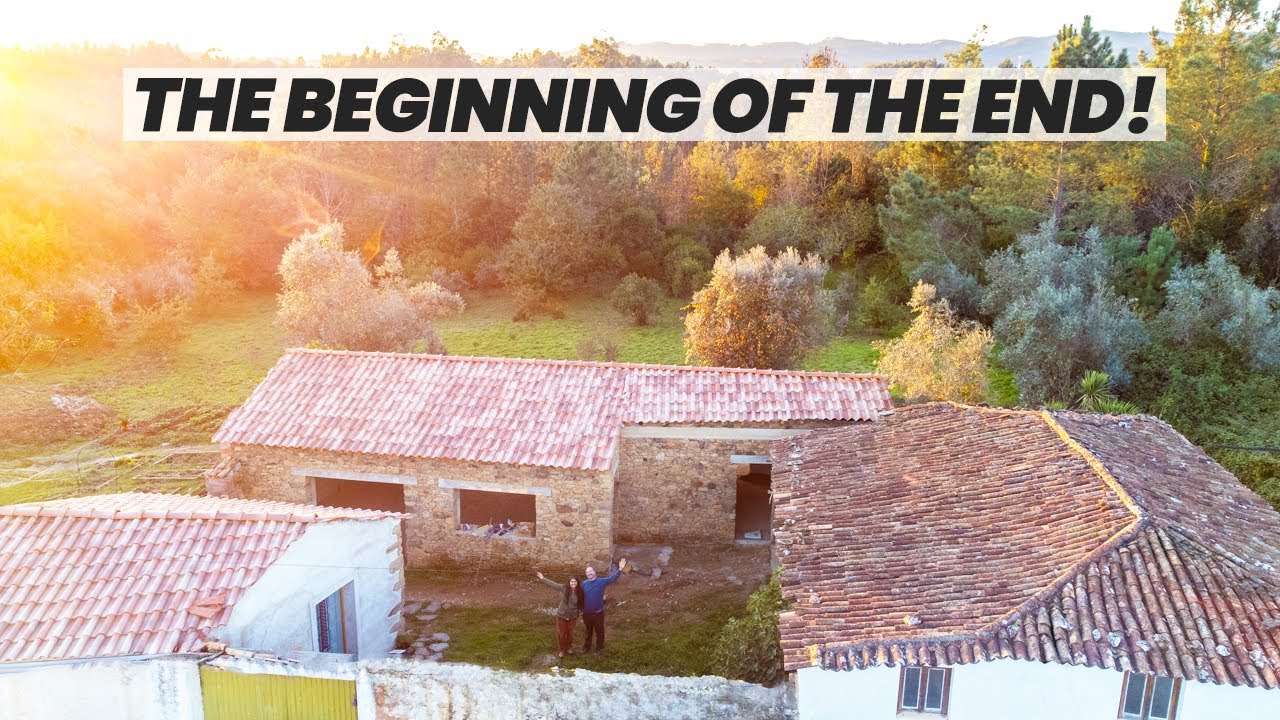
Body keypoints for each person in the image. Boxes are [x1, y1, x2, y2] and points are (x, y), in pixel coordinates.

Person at [579, 557, 626, 653]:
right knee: (588, 631)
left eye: (591, 571)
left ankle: (599, 648)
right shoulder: (584, 583)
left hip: (598, 613)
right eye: (587, 572)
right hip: (586, 613)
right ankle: (586, 647)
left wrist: (620, 569)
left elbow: (612, 578)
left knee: (599, 632)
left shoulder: (601, 581)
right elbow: (580, 596)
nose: (589, 573)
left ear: (595, 572)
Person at [535, 571, 584, 659]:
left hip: (573, 616)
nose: (573, 583)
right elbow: (553, 584)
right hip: (562, 615)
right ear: (569, 582)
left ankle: (568, 647)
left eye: (575, 582)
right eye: (572, 581)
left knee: (570, 633)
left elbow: (581, 602)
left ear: (577, 583)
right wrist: (543, 578)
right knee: (562, 633)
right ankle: (562, 649)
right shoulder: (564, 588)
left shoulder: (580, 591)